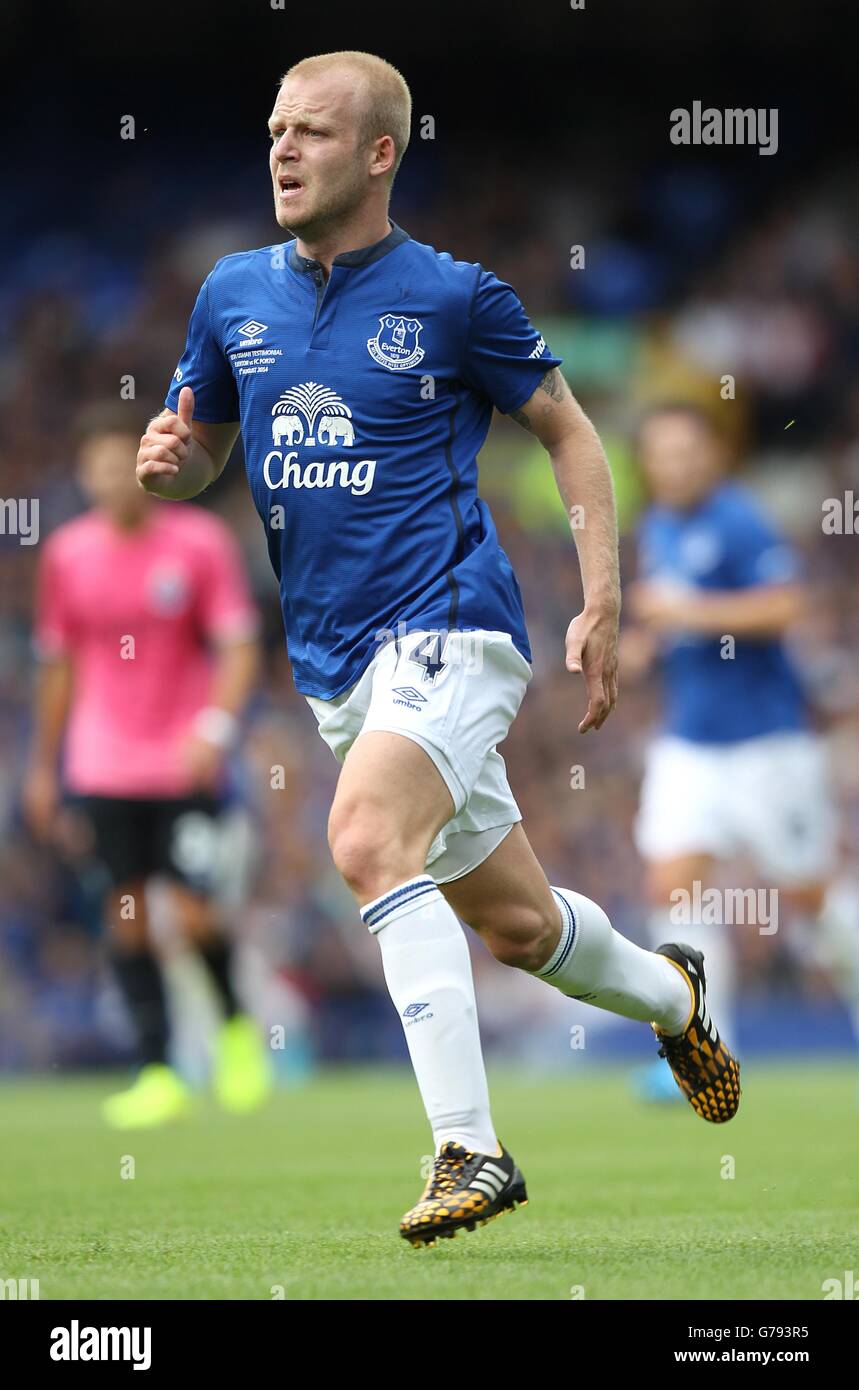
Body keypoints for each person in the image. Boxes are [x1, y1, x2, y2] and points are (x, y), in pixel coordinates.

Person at [137, 50, 740, 1245]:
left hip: (452, 623)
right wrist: (175, 466)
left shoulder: (456, 297)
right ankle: (673, 998)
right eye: (272, 129)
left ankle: (471, 1149)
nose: (281, 149)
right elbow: (204, 442)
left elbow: (569, 434)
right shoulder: (231, 294)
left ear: (378, 154)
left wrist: (602, 597)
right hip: (335, 664)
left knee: (364, 838)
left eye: (310, 131)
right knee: (518, 929)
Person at [25, 403, 271, 1128]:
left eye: (120, 463)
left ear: (147, 464)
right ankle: (157, 1067)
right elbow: (58, 666)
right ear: (83, 475)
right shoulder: (67, 554)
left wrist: (215, 728)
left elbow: (238, 645)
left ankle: (232, 1032)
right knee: (126, 916)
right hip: (103, 766)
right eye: (96, 466)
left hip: (184, 762)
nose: (111, 478)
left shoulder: (197, 543)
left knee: (192, 913)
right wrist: (45, 766)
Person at [624, 402, 859, 1098]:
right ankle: (705, 1050)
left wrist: (685, 613)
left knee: (810, 894)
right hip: (689, 743)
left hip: (766, 745)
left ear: (712, 454)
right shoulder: (658, 526)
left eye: (687, 451)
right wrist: (641, 648)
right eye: (662, 453)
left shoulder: (738, 518)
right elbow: (671, 620)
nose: (677, 464)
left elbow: (785, 605)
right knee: (671, 884)